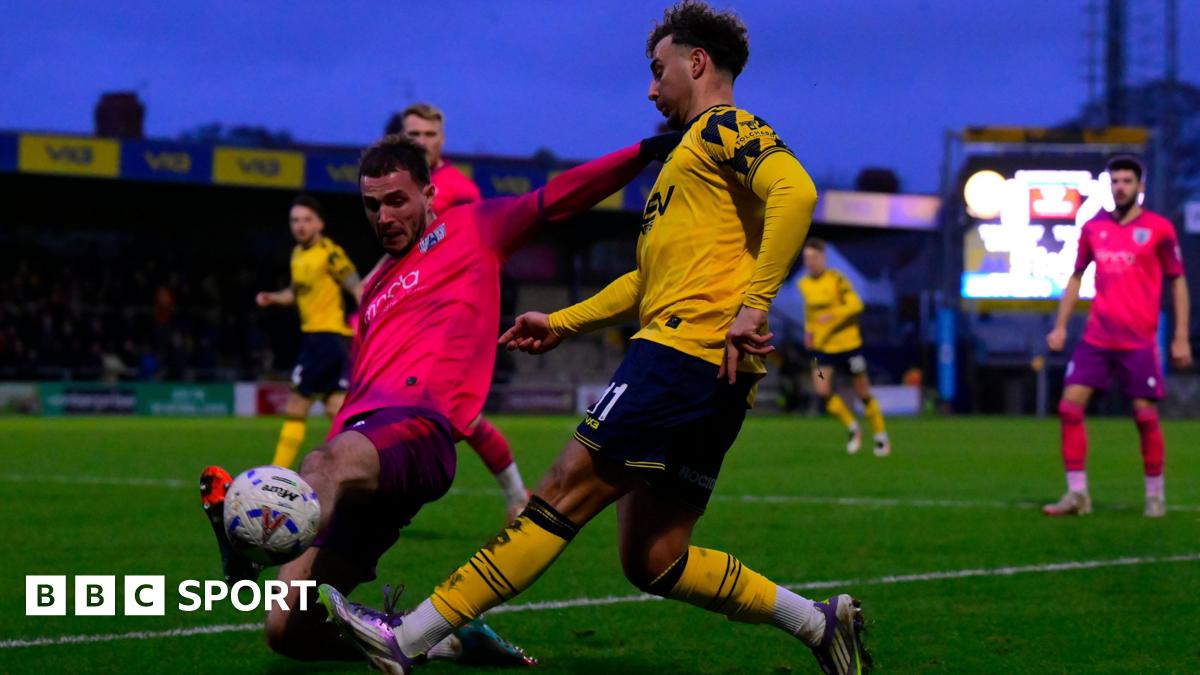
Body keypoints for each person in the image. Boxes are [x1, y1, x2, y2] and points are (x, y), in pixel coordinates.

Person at [319, 4, 869, 674]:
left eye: (657, 70)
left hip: (679, 357)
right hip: (713, 377)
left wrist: (754, 306)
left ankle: (407, 638)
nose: (650, 88)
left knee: (558, 493)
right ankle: (821, 623)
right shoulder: (688, 163)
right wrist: (563, 320)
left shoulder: (726, 127)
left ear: (695, 63)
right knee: (654, 557)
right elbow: (648, 279)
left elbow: (798, 190)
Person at [199, 131, 676, 667]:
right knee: (286, 631)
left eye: (397, 200)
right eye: (372, 205)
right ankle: (437, 640)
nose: (383, 216)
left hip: (417, 432)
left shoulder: (472, 229)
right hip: (361, 459)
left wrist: (642, 153)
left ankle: (251, 541)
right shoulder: (376, 288)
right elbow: (360, 389)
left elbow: (558, 196)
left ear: (429, 193)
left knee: (319, 462)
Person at [397, 102, 529, 520]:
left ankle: (517, 496)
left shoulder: (459, 189)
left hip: (454, 316)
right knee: (437, 411)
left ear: (442, 140)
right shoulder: (401, 187)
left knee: (453, 413)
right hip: (414, 313)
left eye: (429, 135)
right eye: (413, 135)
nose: (421, 142)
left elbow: (484, 248)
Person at [1043, 155, 1191, 518]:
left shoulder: (1159, 229)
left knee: (1144, 417)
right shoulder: (1093, 229)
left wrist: (1181, 336)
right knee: (1068, 407)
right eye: (1115, 181)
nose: (1120, 187)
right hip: (1097, 337)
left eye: (1126, 181)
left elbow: (1178, 281)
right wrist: (1060, 325)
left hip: (1138, 340)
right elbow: (1076, 276)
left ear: (1140, 187)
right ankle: (1077, 494)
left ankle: (1155, 495)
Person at [255, 195, 362, 469]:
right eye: (295, 220)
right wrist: (273, 298)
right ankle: (357, 465)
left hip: (325, 337)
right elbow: (294, 293)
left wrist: (370, 326)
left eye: (306, 220)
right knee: (335, 408)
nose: (300, 225)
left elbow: (358, 288)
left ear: (320, 223)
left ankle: (274, 474)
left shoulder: (330, 253)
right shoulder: (297, 254)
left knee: (296, 406)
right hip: (326, 340)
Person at [798, 238, 890, 456]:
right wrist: (809, 332)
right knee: (821, 389)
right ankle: (853, 427)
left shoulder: (837, 280)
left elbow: (856, 304)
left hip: (849, 346)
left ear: (823, 258)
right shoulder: (804, 284)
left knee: (862, 391)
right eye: (806, 259)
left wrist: (832, 316)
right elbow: (811, 315)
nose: (810, 263)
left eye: (813, 258)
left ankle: (880, 435)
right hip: (822, 350)